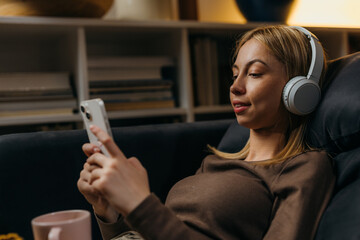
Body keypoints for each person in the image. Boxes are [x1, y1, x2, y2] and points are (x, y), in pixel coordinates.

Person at [77, 25, 335, 240]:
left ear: (299, 90)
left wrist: (140, 204)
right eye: (234, 75)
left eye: (254, 73)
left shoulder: (305, 167)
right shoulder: (214, 164)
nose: (235, 86)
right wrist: (109, 212)